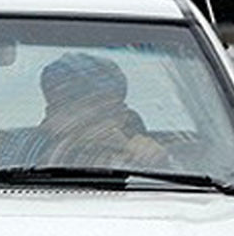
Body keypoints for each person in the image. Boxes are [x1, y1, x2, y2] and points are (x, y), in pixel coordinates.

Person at [36, 51, 168, 167]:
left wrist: (157, 159)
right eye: (68, 110)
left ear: (121, 116)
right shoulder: (29, 151)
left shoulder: (147, 152)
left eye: (101, 114)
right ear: (50, 116)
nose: (82, 122)